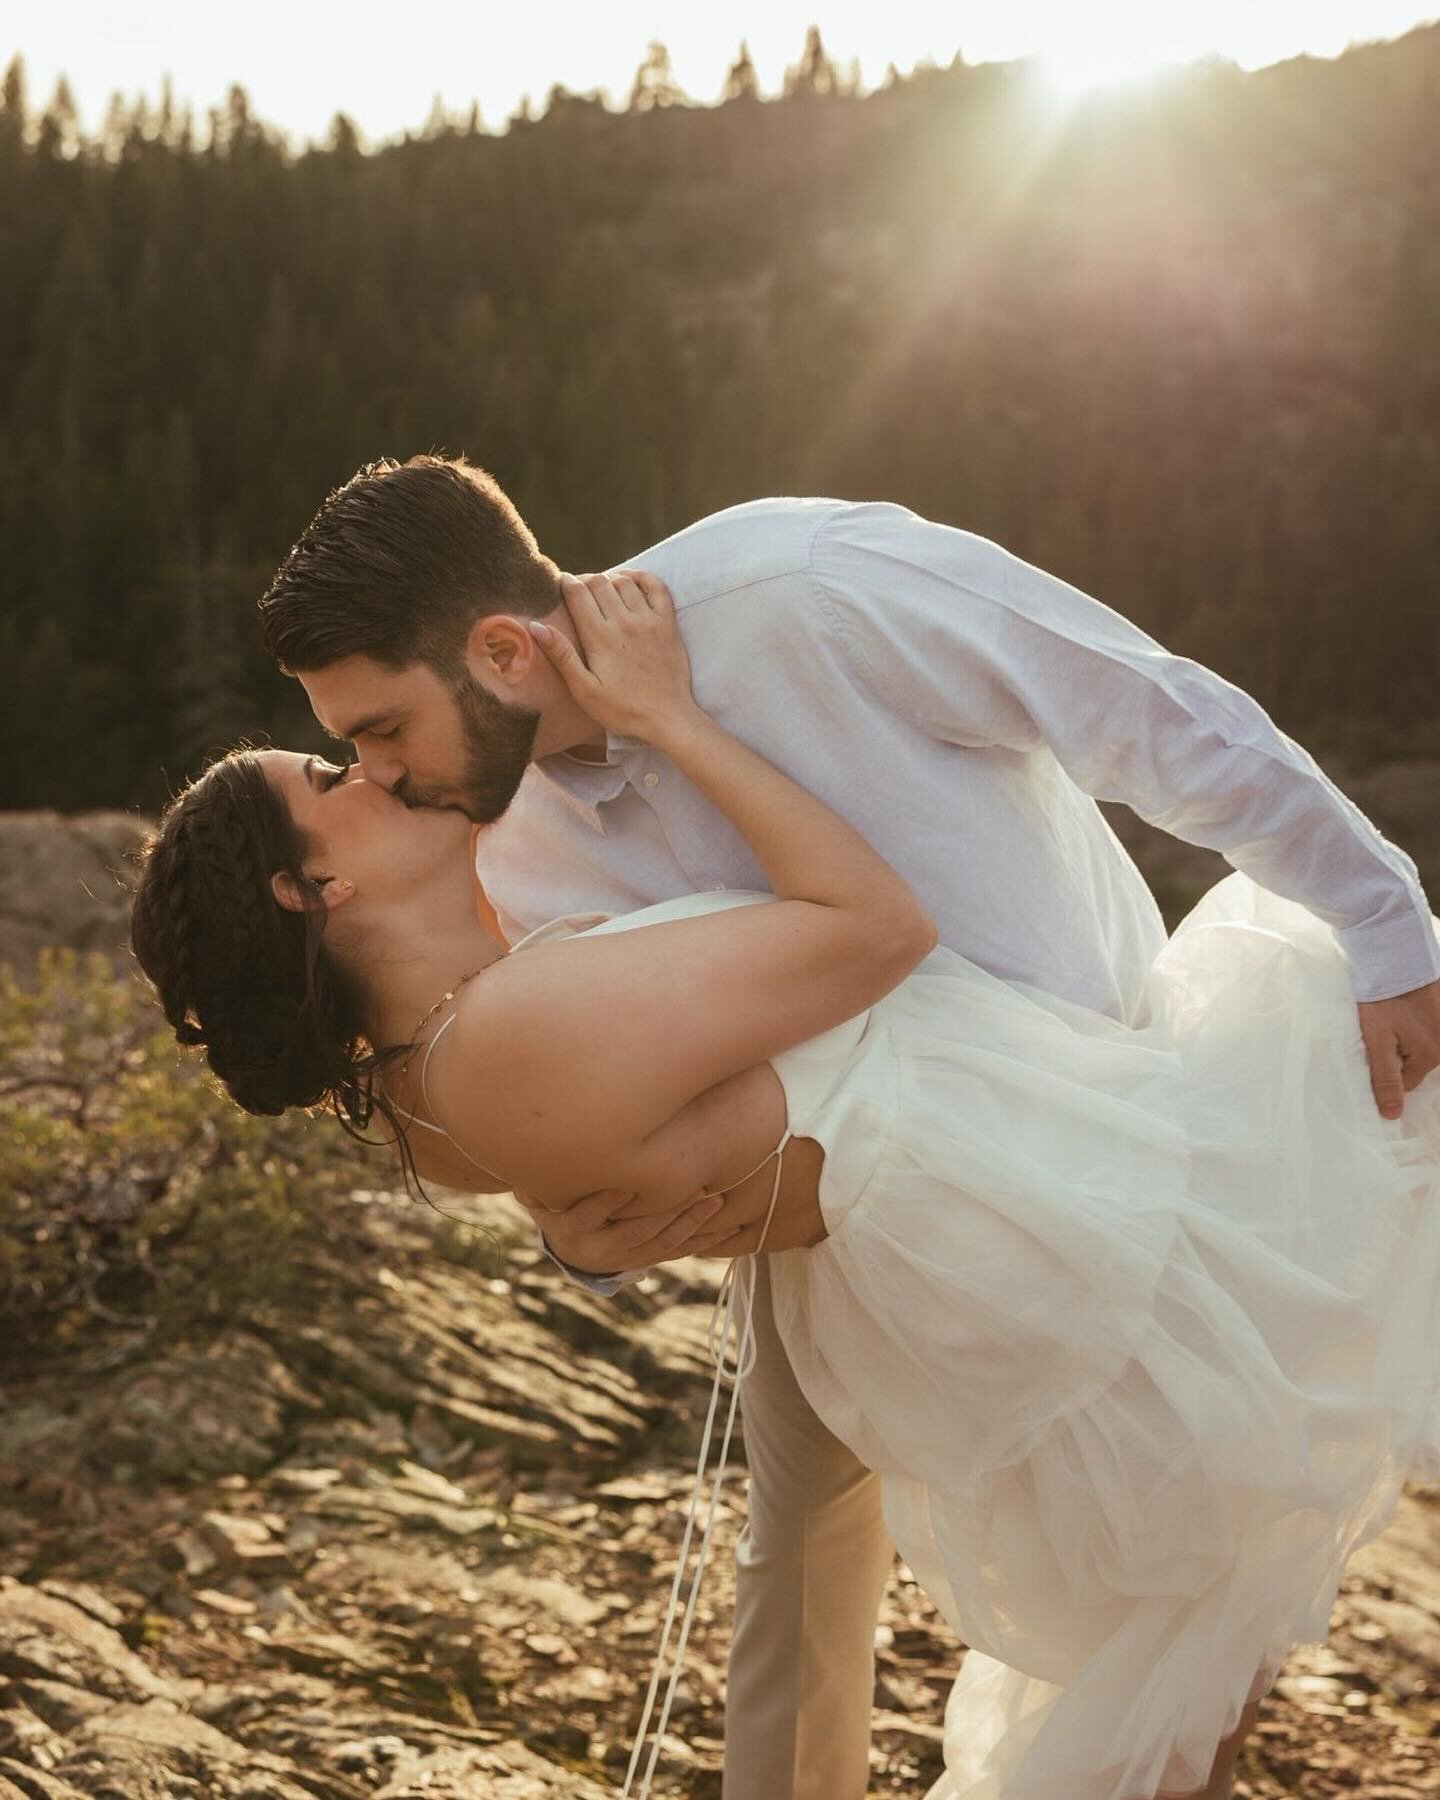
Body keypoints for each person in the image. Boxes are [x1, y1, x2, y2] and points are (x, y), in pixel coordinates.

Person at [132, 571, 1440, 1799]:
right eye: (327, 770)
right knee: (1191, 1629)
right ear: (314, 887)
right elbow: (873, 929)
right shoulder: (514, 1021)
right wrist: (673, 720)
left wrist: (612, 1204)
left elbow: (571, 1157)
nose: (366, 768)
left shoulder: (450, 1034)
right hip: (1026, 1207)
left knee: (1183, 1640)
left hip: (976, 1201)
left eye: (362, 736)